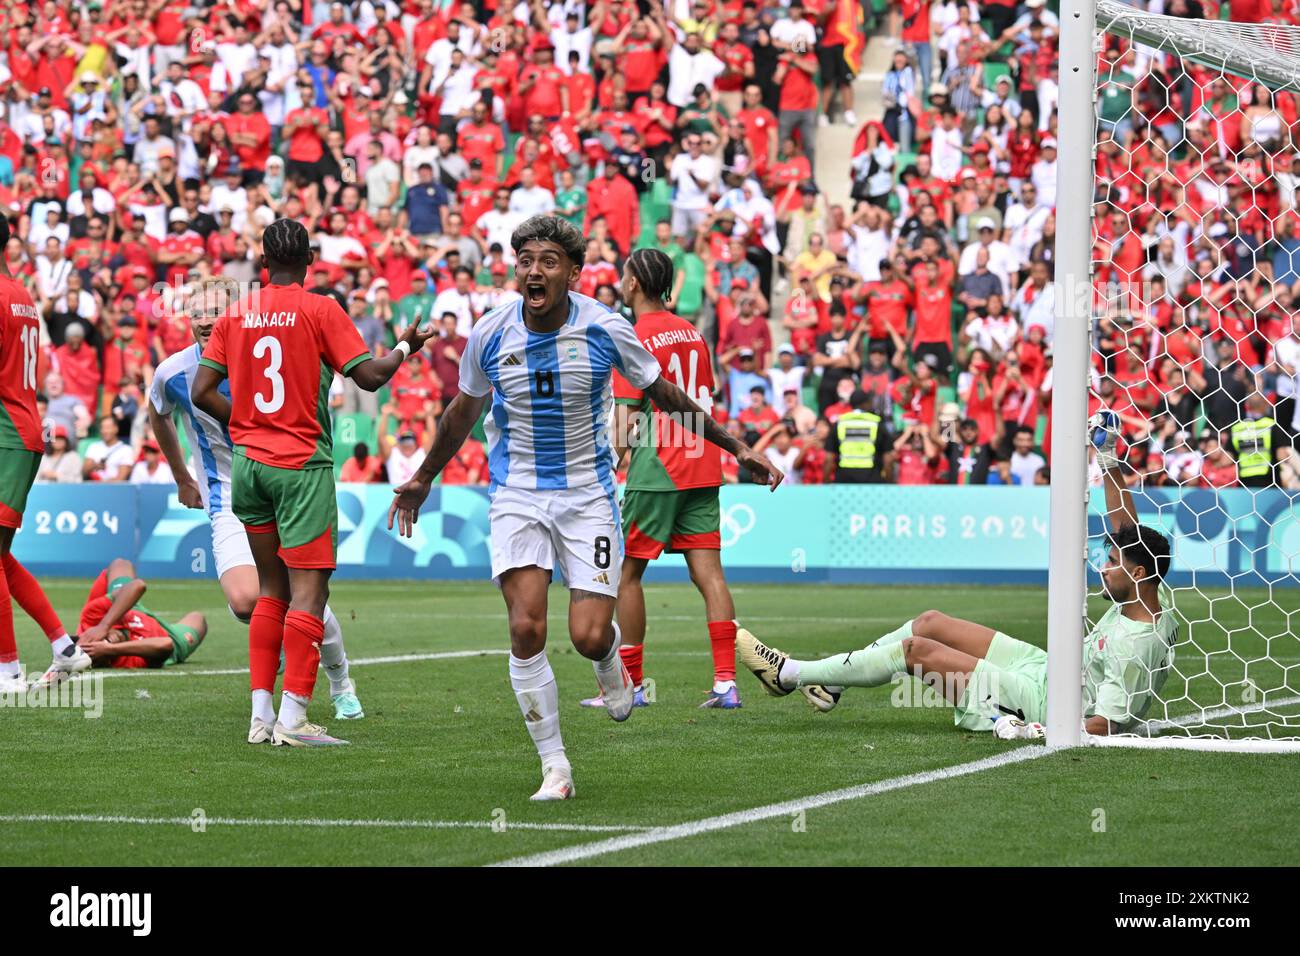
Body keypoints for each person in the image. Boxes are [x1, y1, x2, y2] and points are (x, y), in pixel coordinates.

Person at [387, 216, 783, 800]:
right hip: (516, 494)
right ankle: (556, 766)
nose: (534, 271)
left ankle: (610, 662)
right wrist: (422, 477)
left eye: (548, 261)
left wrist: (738, 447)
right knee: (525, 626)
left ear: (573, 273)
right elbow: (460, 415)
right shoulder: (490, 334)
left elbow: (666, 396)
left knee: (589, 635)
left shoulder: (606, 329)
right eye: (525, 260)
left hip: (587, 497)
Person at [737, 408, 1177, 739]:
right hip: (1050, 668)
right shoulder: (1152, 592)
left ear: (1138, 574)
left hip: (1047, 700)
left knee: (915, 649)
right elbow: (1126, 530)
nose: (1102, 567)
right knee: (930, 622)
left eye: (1112, 563)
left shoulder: (1132, 646)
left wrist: (1040, 729)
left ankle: (791, 673)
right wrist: (1108, 458)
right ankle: (832, 685)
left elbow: (1111, 724)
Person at [191, 219, 435, 747]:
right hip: (300, 465)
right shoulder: (320, 308)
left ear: (263, 263)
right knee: (310, 589)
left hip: (249, 468)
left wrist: (243, 424)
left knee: (270, 591)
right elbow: (369, 376)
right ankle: (296, 719)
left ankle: (260, 717)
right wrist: (406, 346)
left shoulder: (236, 314)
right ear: (308, 262)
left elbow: (200, 389)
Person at [152, 274, 369, 728]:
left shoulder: (269, 355)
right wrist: (181, 476)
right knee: (249, 600)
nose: (207, 321)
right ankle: (304, 676)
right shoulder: (174, 372)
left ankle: (339, 680)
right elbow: (159, 414)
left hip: (289, 485)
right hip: (230, 495)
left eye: (217, 311)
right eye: (199, 313)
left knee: (296, 595)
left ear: (239, 313)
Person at [587, 248, 751, 711]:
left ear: (634, 283)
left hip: (660, 463)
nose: (621, 282)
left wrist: (609, 466)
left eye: (624, 275)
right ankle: (725, 684)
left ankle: (632, 686)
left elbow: (627, 416)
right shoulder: (694, 332)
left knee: (626, 573)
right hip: (704, 461)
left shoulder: (634, 335)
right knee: (710, 575)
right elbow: (703, 396)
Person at [0, 215, 91, 692]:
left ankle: (9, 672)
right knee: (2, 557)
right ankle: (64, 648)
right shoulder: (22, 295)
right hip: (22, 428)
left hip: (8, 433)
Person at [75, 559, 207, 670]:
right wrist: (111, 649)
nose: (110, 640)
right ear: (105, 659)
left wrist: (104, 626)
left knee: (120, 563)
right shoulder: (125, 660)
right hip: (167, 635)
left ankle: (120, 598)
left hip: (127, 609)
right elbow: (166, 644)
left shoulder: (92, 618)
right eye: (107, 644)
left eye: (102, 639)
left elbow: (138, 585)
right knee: (198, 618)